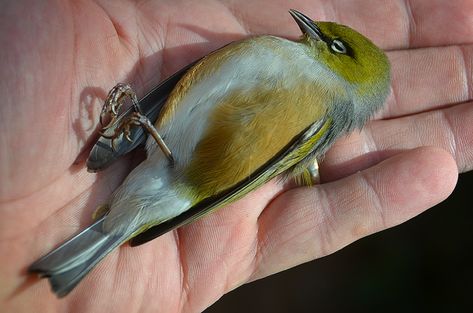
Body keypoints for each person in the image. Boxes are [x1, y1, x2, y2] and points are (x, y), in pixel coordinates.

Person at [0, 1, 471, 312]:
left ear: (343, 63)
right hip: (160, 135)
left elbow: (260, 171)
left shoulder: (325, 107)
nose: (309, 31)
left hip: (193, 176)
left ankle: (89, 244)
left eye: (331, 43)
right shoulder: (280, 54)